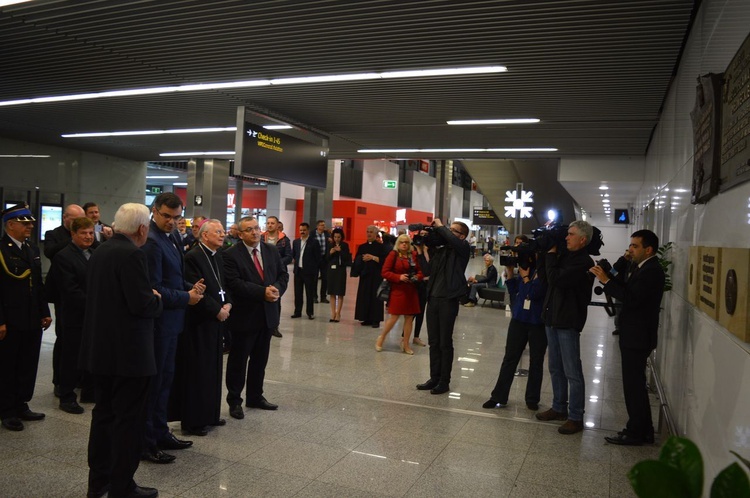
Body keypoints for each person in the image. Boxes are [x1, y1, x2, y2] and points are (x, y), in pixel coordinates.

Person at [79, 203, 162, 498]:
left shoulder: (101, 250)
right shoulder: (132, 254)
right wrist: (156, 297)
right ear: (142, 228)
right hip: (130, 356)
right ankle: (122, 485)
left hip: (101, 351)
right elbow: (142, 304)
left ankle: (98, 482)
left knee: (103, 416)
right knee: (129, 421)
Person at [141, 193, 205, 464]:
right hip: (160, 324)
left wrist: (189, 289)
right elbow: (154, 289)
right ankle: (146, 442)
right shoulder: (152, 242)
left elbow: (173, 278)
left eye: (176, 217)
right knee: (154, 385)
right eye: (166, 215)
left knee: (166, 381)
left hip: (173, 323)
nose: (171, 221)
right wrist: (185, 297)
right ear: (154, 211)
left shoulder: (174, 236)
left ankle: (160, 431)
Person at [591, 229, 664, 446]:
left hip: (638, 336)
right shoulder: (641, 267)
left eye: (635, 246)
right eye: (630, 245)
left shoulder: (651, 271)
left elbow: (632, 299)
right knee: (635, 385)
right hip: (635, 335)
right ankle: (645, 430)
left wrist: (606, 281)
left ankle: (635, 432)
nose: (630, 249)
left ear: (648, 249)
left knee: (633, 387)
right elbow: (628, 290)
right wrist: (612, 274)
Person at [170, 220, 232, 437]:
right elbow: (195, 292)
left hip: (216, 320)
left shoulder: (217, 255)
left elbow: (224, 286)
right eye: (218, 232)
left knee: (213, 369)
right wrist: (216, 310)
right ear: (205, 235)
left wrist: (228, 304)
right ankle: (194, 421)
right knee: (198, 371)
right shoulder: (193, 257)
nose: (223, 235)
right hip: (199, 322)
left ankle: (210, 414)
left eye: (223, 231)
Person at [222, 216, 288, 419]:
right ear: (240, 234)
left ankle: (255, 396)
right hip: (244, 317)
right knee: (239, 361)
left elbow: (283, 275)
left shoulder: (270, 250)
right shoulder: (231, 255)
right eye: (249, 230)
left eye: (256, 228)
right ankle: (235, 401)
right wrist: (262, 293)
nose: (255, 232)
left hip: (268, 315)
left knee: (260, 360)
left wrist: (276, 289)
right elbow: (235, 283)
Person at [535, 220, 595, 435]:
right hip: (552, 317)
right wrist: (545, 254)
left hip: (568, 321)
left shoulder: (584, 262)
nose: (566, 238)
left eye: (570, 234)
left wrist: (550, 255)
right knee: (555, 367)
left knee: (572, 371)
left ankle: (576, 416)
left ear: (583, 239)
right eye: (566, 234)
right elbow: (545, 278)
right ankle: (559, 407)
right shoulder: (565, 256)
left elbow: (556, 279)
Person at [0, 204, 52, 432]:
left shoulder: (31, 249)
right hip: (10, 319)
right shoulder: (2, 249)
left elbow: (38, 285)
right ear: (10, 225)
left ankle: (21, 404)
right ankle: (6, 410)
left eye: (30, 222)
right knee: (8, 365)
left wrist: (45, 312)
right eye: (25, 223)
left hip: (31, 318)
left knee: (28, 364)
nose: (30, 226)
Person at [483, 255, 547, 411]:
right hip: (519, 319)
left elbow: (533, 293)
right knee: (509, 359)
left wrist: (525, 277)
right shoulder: (526, 270)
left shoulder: (545, 271)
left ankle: (532, 399)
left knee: (536, 362)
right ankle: (498, 396)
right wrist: (511, 273)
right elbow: (513, 292)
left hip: (538, 323)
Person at [48, 216, 97, 414]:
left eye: (91, 233)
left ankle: (89, 391)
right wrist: (94, 305)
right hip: (74, 315)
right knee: (70, 357)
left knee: (88, 355)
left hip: (91, 316)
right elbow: (70, 290)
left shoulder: (94, 253)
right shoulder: (64, 256)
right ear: (73, 234)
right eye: (83, 233)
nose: (88, 237)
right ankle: (67, 396)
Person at [415, 219, 470, 395]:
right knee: (434, 342)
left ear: (462, 236)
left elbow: (451, 239)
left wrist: (440, 226)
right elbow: (427, 270)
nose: (448, 232)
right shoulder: (442, 250)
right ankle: (434, 378)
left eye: (453, 230)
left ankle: (444, 381)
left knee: (445, 343)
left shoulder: (463, 249)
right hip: (433, 299)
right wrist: (421, 250)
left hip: (449, 300)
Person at [43, 203, 85, 397]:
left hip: (81, 291)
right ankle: (59, 380)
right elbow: (49, 252)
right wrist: (73, 238)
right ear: (65, 219)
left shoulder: (87, 237)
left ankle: (78, 377)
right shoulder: (54, 234)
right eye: (75, 220)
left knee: (78, 340)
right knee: (64, 338)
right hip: (62, 292)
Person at [375, 234, 423, 355]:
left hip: (411, 290)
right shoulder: (393, 254)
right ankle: (382, 337)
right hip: (398, 289)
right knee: (394, 316)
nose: (404, 244)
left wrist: (417, 277)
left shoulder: (413, 255)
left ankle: (405, 343)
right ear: (398, 243)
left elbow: (421, 271)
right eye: (402, 242)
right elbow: (385, 272)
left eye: (406, 242)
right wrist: (399, 277)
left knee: (409, 318)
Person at [351, 225, 387, 328]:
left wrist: (372, 257)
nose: (369, 234)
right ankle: (366, 317)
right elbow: (357, 259)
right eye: (367, 232)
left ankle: (376, 319)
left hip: (376, 276)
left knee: (375, 297)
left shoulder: (381, 247)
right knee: (364, 296)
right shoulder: (362, 247)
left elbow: (384, 260)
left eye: (371, 232)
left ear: (375, 234)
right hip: (365, 275)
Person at [262, 216, 293, 337]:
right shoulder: (261, 238)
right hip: (262, 272)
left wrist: (277, 263)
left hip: (277, 273)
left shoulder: (284, 239)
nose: (269, 225)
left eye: (272, 223)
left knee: (276, 298)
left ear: (277, 225)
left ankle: (275, 326)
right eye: (268, 223)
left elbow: (289, 256)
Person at [291, 222, 321, 320]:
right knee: (298, 293)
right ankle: (297, 312)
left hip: (309, 272)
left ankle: (310, 312)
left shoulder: (314, 242)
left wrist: (315, 271)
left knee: (309, 293)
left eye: (304, 230)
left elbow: (318, 257)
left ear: (308, 230)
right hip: (298, 271)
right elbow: (294, 255)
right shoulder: (295, 242)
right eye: (300, 230)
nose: (302, 232)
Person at [326, 228, 351, 322]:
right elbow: (326, 258)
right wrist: (330, 253)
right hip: (331, 270)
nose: (337, 239)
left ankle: (338, 313)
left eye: (339, 237)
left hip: (340, 270)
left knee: (340, 292)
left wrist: (340, 251)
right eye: (335, 237)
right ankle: (333, 313)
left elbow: (347, 258)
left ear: (342, 237)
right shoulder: (330, 245)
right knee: (332, 292)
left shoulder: (345, 245)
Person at [313, 220, 331, 303]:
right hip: (315, 259)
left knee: (325, 279)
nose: (323, 226)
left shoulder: (327, 234)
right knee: (314, 279)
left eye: (324, 225)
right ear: (317, 226)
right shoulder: (312, 234)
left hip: (324, 259)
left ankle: (323, 297)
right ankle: (314, 297)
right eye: (321, 225)